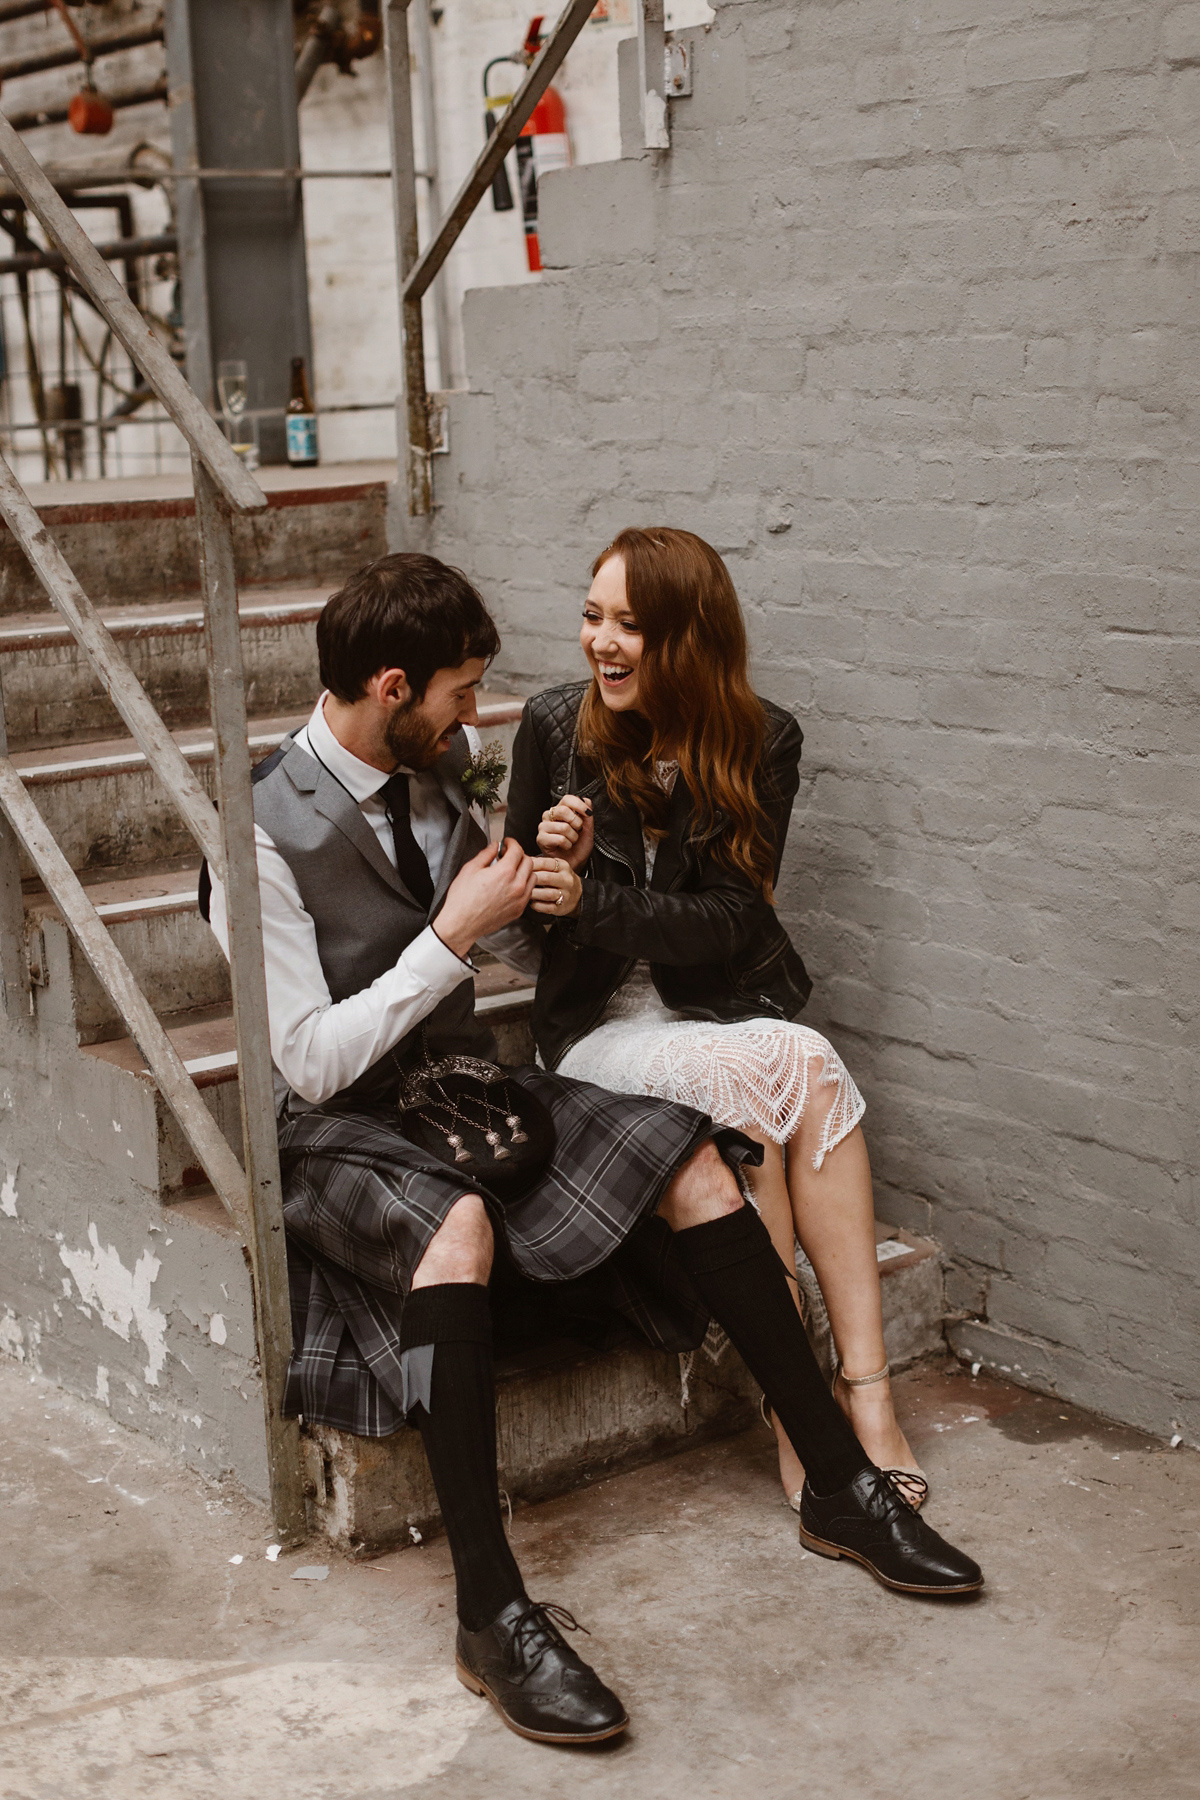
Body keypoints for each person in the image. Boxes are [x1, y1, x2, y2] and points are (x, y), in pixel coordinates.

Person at [204, 552, 982, 1749]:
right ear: (395, 685)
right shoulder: (255, 833)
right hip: (339, 1129)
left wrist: (552, 878)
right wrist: (452, 938)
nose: (481, 715)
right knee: (458, 1231)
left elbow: (512, 967)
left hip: (466, 1090)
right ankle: (491, 1612)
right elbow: (305, 1061)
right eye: (462, 693)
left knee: (695, 1160)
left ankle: (836, 1482)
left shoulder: (430, 779)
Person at [506, 526, 927, 1513]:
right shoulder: (553, 727)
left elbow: (735, 922)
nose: (600, 644)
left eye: (630, 627)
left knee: (804, 1068)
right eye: (591, 616)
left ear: (690, 639)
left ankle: (866, 1398)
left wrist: (592, 898)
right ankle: (802, 1416)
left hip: (715, 1006)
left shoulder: (760, 738)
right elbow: (522, 921)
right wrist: (542, 858)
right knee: (763, 1084)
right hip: (595, 1034)